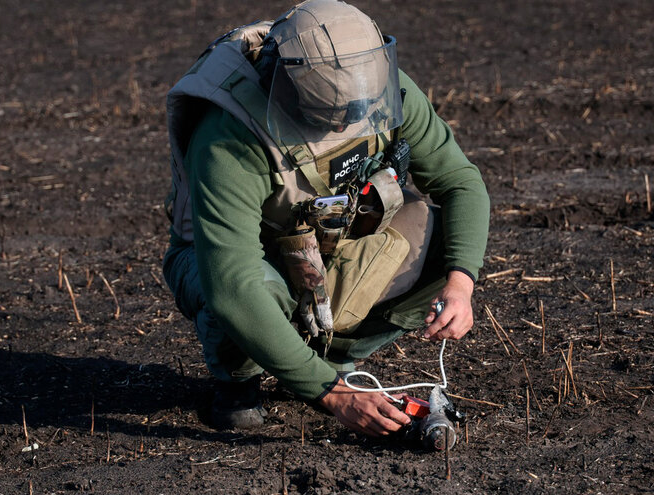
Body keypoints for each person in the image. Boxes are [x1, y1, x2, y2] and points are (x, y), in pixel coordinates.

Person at [163, 0, 489, 438]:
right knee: (253, 289)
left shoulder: (380, 88)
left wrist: (461, 285)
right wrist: (333, 395)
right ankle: (239, 381)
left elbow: (461, 183)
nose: (347, 125)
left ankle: (332, 358)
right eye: (331, 116)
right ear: (289, 89)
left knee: (450, 245)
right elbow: (232, 284)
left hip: (329, 241)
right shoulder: (230, 137)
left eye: (357, 111)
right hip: (237, 262)